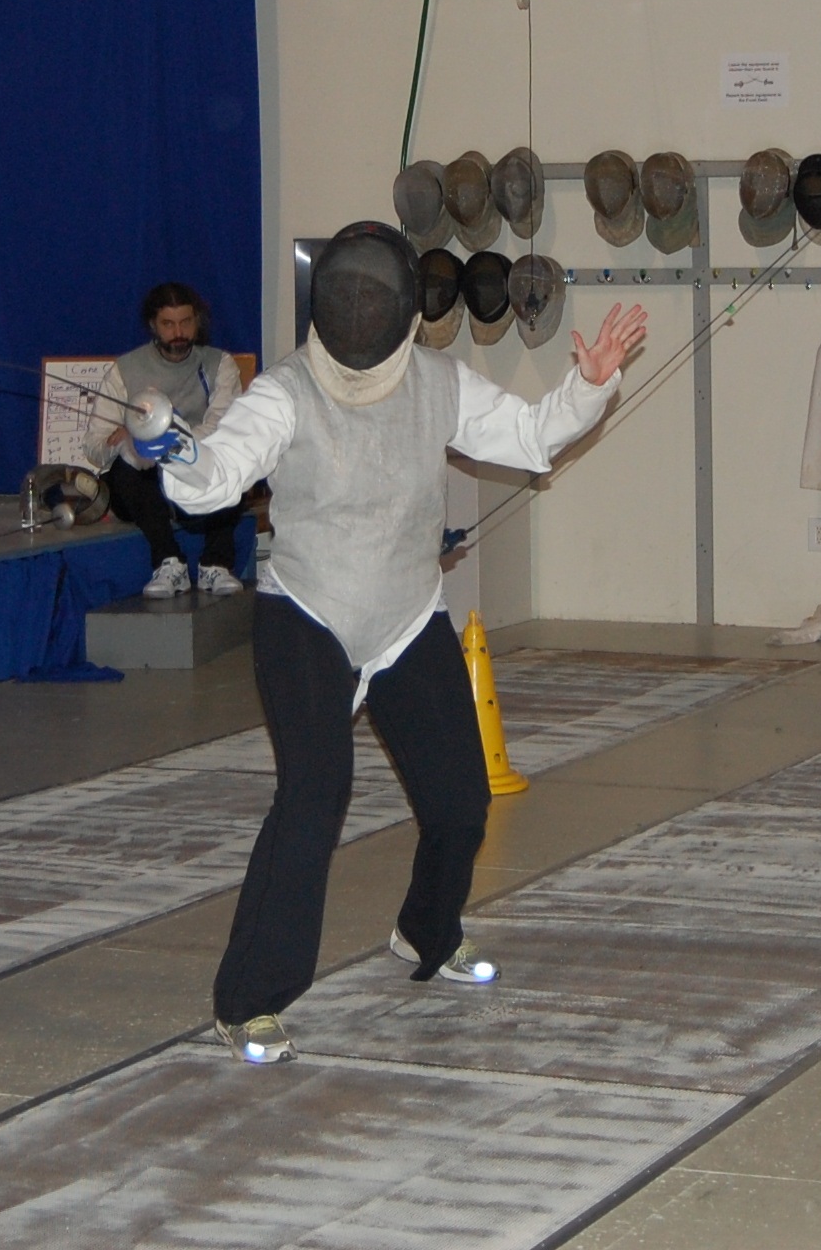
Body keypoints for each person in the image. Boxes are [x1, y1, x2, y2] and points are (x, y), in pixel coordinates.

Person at [135, 222, 646, 1065]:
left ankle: (426, 932)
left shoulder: (440, 382)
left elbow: (526, 437)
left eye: (374, 300)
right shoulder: (287, 392)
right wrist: (175, 451)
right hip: (309, 614)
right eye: (351, 298)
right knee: (314, 798)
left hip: (408, 616)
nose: (362, 313)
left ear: (405, 310)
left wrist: (586, 388)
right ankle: (247, 1001)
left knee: (461, 800)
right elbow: (215, 477)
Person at [85, 282, 246, 596]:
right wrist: (130, 438)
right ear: (153, 326)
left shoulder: (219, 364)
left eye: (186, 322)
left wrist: (166, 440)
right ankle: (169, 562)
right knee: (122, 471)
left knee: (234, 463)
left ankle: (216, 564)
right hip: (147, 484)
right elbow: (95, 445)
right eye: (168, 324)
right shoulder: (125, 370)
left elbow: (221, 427)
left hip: (197, 471)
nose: (179, 333)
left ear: (197, 321)